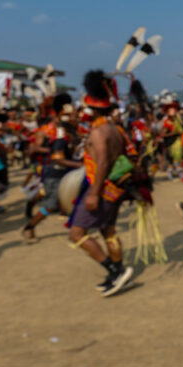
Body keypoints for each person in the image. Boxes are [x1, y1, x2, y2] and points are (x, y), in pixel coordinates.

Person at [67, 71, 133, 297]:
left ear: (91, 109)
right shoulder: (116, 130)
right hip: (114, 189)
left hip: (101, 189)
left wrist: (94, 194)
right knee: (108, 231)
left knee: (76, 234)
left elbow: (103, 161)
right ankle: (115, 275)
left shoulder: (98, 132)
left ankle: (116, 269)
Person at [22, 97, 80, 243]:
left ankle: (78, 231)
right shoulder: (60, 136)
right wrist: (81, 166)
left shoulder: (70, 132)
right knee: (51, 205)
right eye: (76, 116)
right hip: (55, 174)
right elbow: (57, 158)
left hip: (65, 173)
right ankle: (29, 228)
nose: (79, 118)